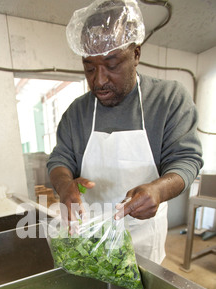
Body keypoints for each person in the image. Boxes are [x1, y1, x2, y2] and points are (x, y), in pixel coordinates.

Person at [47, 0, 203, 263]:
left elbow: (186, 161)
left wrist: (158, 190)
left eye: (112, 64)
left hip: (142, 241)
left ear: (136, 54)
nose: (100, 80)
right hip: (90, 237)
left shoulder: (168, 99)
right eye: (89, 68)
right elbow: (60, 160)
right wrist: (65, 187)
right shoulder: (77, 112)